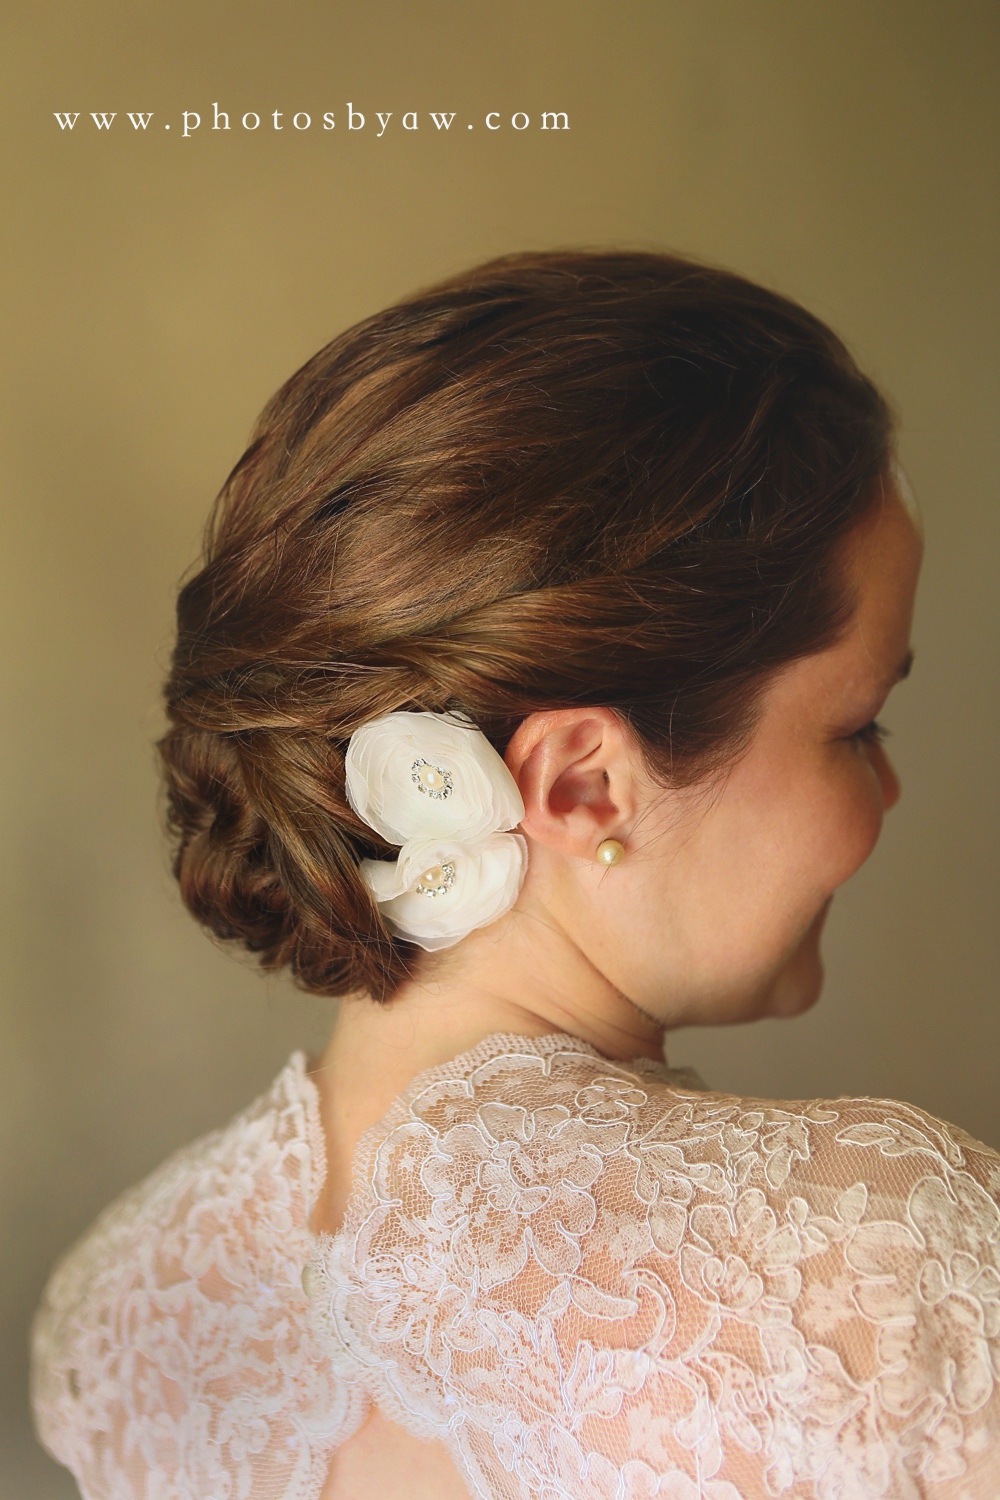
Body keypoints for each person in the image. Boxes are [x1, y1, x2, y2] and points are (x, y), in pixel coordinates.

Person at [30, 250, 1000, 1500]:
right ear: (583, 784)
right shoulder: (872, 1263)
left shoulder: (119, 1321)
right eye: (858, 726)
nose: (888, 795)